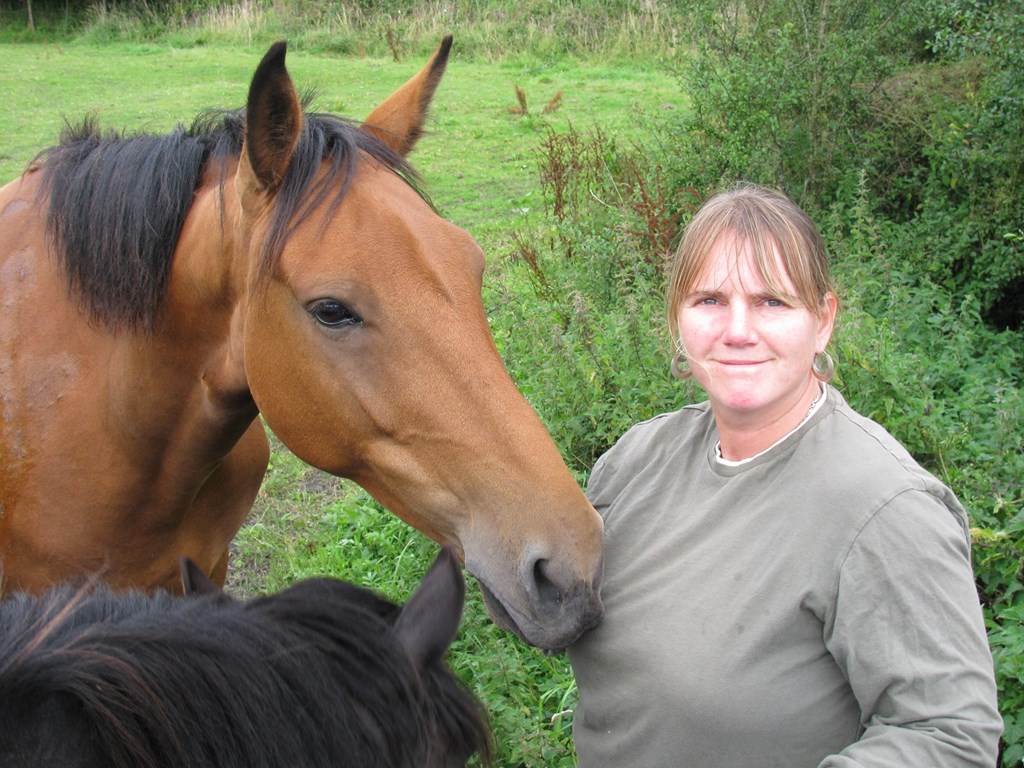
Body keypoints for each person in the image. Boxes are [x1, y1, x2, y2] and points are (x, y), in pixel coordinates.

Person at [568, 183, 1002, 767]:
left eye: (772, 301)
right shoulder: (636, 460)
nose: (739, 330)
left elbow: (949, 733)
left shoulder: (884, 507)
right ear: (677, 317)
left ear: (822, 320)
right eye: (709, 300)